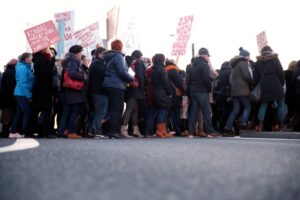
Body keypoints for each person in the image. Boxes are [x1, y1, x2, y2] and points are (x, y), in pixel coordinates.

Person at [103, 39, 134, 138]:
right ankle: (113, 131)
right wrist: (131, 78)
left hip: (109, 84)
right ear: (120, 47)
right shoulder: (118, 57)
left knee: (112, 108)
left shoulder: (108, 58)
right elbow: (122, 72)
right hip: (117, 85)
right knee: (117, 109)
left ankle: (111, 130)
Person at [187, 48, 220, 137]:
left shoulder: (193, 65)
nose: (208, 58)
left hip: (193, 91)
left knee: (194, 111)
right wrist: (209, 89)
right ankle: (210, 131)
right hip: (202, 91)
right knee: (206, 112)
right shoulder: (204, 65)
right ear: (205, 55)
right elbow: (206, 79)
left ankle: (191, 132)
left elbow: (188, 80)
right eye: (208, 56)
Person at [253, 46, 285, 131]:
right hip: (276, 83)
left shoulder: (257, 62)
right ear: (270, 51)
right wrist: (281, 83)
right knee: (281, 104)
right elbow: (280, 72)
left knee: (264, 104)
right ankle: (281, 125)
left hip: (264, 85)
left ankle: (260, 125)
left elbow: (255, 77)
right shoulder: (275, 59)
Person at [223, 47, 253, 136]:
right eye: (248, 56)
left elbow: (231, 79)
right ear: (245, 57)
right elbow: (247, 76)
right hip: (243, 90)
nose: (249, 58)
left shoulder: (234, 65)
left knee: (235, 110)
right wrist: (252, 81)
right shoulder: (243, 63)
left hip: (234, 91)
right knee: (247, 107)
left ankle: (227, 128)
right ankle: (243, 126)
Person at [30, 47, 56, 138]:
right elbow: (45, 71)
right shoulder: (39, 59)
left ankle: (33, 131)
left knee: (38, 110)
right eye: (46, 48)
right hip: (42, 88)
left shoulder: (40, 58)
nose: (47, 49)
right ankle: (44, 132)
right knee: (45, 111)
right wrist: (52, 61)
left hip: (42, 88)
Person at [63, 45, 87, 139]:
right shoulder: (74, 61)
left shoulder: (70, 60)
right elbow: (72, 73)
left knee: (75, 110)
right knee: (75, 111)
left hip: (73, 91)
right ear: (77, 53)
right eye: (81, 52)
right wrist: (83, 76)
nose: (81, 54)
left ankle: (68, 130)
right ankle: (71, 132)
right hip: (75, 90)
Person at [121, 50, 146, 138]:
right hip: (136, 89)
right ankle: (123, 129)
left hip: (130, 88)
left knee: (135, 110)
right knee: (130, 109)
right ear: (139, 56)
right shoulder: (137, 63)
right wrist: (143, 88)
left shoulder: (127, 62)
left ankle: (135, 130)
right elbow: (140, 76)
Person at [10, 53, 34, 138]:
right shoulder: (22, 68)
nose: (32, 59)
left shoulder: (25, 67)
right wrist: (29, 96)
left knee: (19, 112)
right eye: (30, 57)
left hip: (21, 93)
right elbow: (23, 83)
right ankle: (23, 132)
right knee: (27, 112)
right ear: (26, 58)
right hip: (22, 93)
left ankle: (14, 131)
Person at [88, 47, 108, 137]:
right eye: (105, 53)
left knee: (97, 111)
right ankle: (95, 131)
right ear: (99, 54)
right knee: (100, 112)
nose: (106, 55)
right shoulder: (98, 63)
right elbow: (104, 74)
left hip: (96, 91)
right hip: (99, 91)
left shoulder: (96, 63)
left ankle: (91, 130)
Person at [0, 59, 18, 137]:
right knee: (7, 116)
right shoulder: (12, 73)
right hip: (9, 97)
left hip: (5, 97)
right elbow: (10, 86)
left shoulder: (7, 72)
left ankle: (5, 132)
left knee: (6, 115)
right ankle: (5, 132)